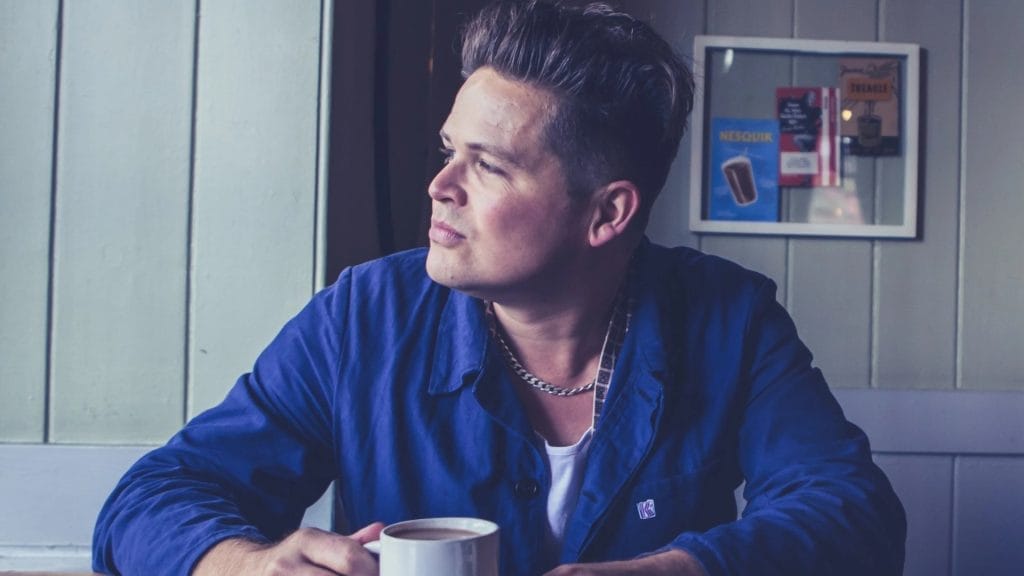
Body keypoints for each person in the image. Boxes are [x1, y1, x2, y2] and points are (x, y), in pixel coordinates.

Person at [92, 1, 906, 574]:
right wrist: (244, 564)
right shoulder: (362, 317)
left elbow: (854, 516)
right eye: (450, 150)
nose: (441, 185)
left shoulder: (729, 317)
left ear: (606, 213)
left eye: (488, 165)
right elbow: (151, 499)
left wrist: (677, 569)